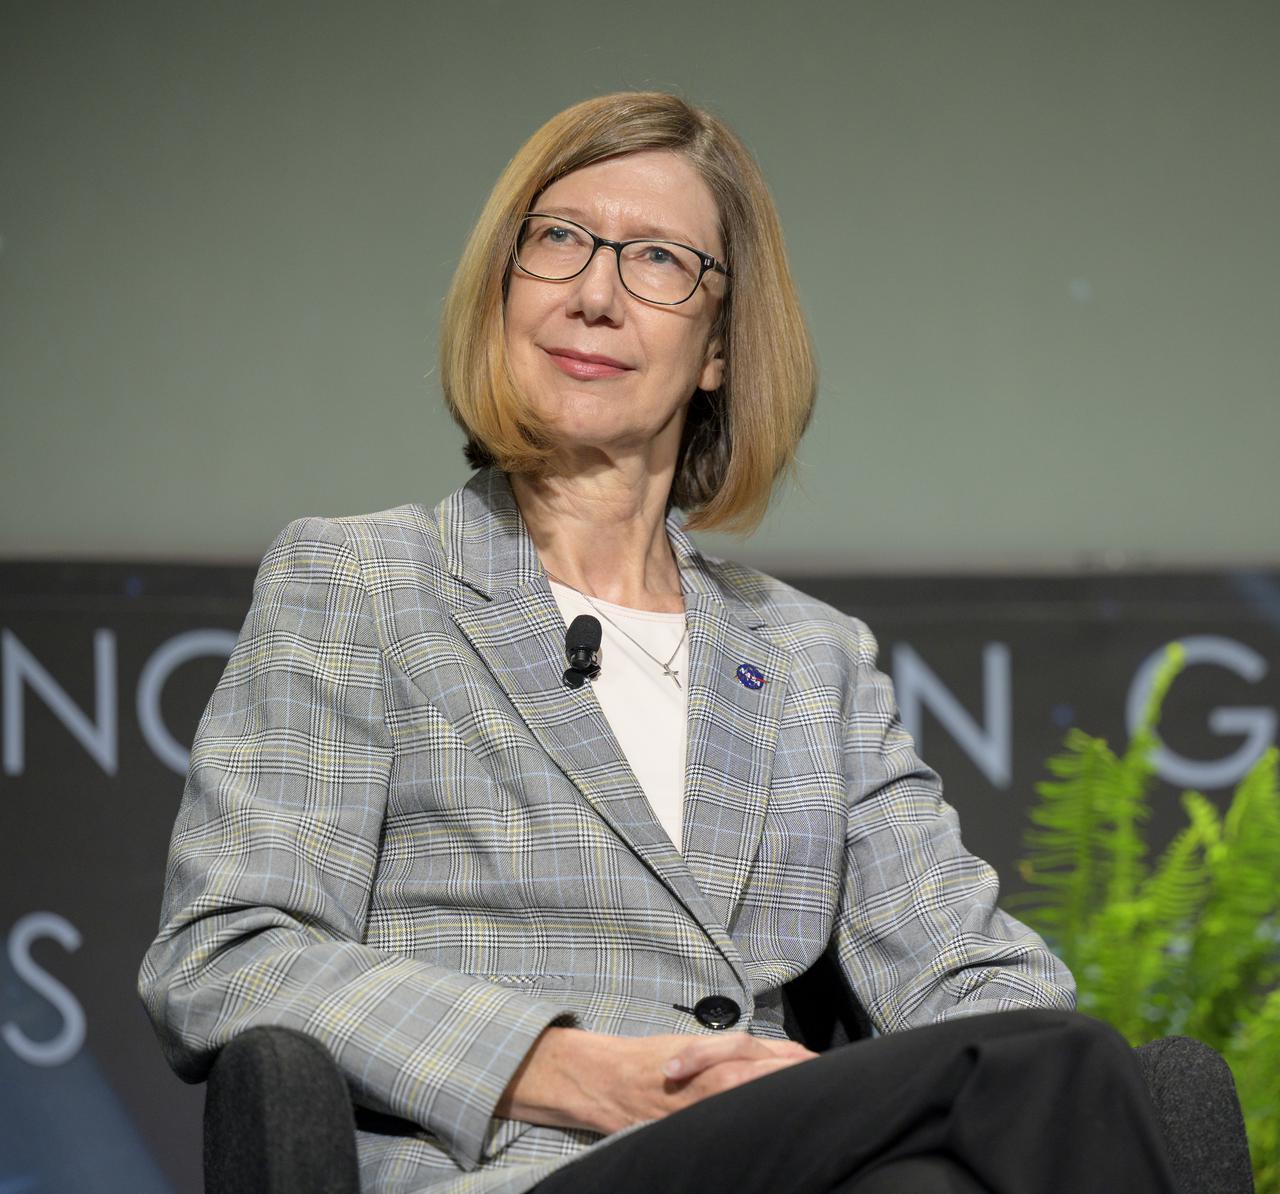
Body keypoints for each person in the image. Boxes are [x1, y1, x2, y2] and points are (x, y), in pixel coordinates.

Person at [139, 92, 1176, 1193]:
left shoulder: (806, 658)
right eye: (558, 242)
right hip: (516, 1172)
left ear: (719, 347)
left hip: (776, 1162)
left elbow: (974, 987)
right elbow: (231, 957)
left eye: (658, 262)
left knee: (986, 1124)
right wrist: (579, 1069)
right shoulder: (360, 583)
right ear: (502, 293)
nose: (594, 294)